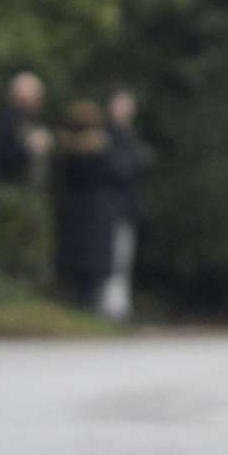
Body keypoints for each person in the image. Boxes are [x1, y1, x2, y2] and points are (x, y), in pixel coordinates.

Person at [0, 71, 55, 285]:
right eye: (35, 95)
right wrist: (28, 148)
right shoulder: (7, 122)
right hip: (7, 194)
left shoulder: (32, 123)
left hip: (29, 194)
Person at [53, 99, 117, 312]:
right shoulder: (104, 149)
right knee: (94, 275)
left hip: (74, 214)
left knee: (76, 274)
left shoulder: (64, 150)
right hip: (97, 214)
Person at [100, 88, 153, 323]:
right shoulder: (108, 137)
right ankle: (110, 307)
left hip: (127, 208)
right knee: (112, 258)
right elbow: (121, 168)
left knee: (123, 258)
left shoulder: (129, 135)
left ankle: (119, 306)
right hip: (110, 207)